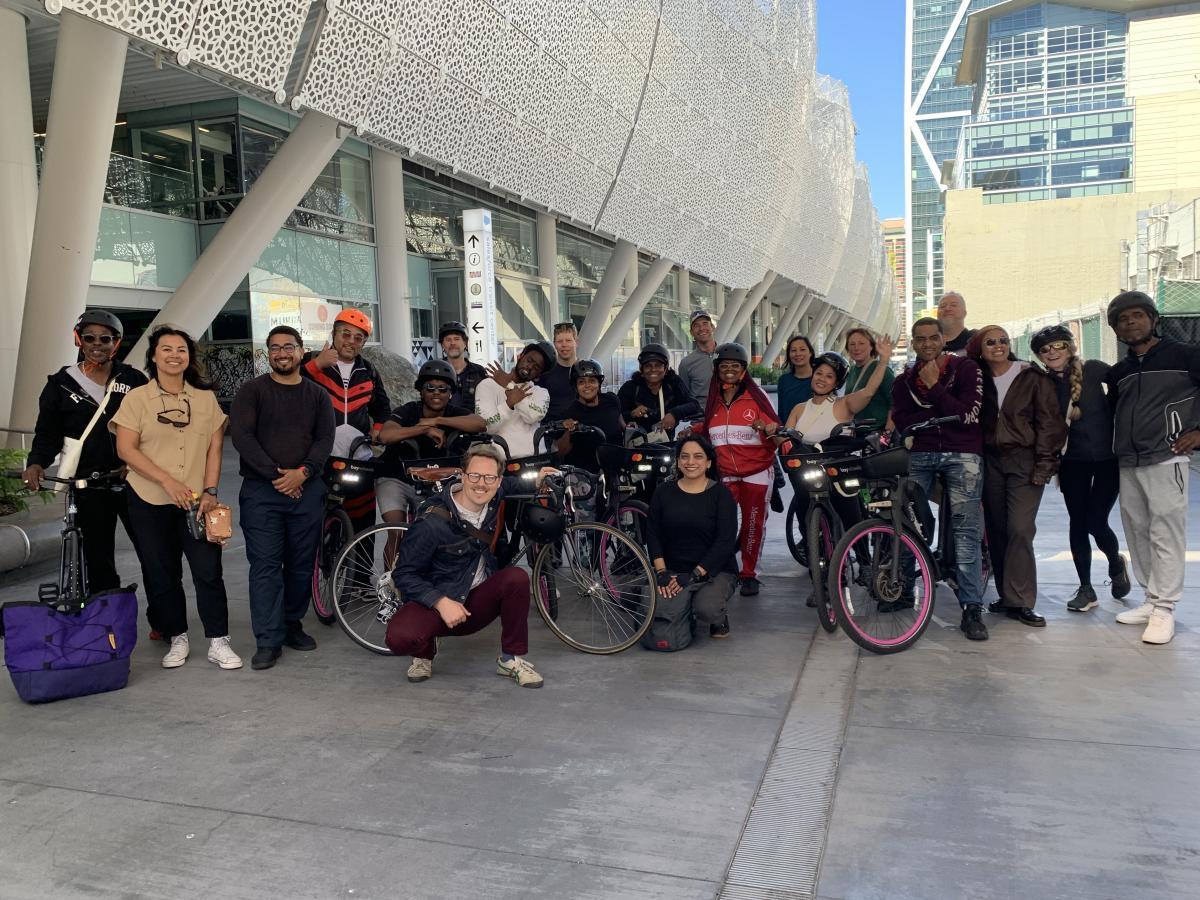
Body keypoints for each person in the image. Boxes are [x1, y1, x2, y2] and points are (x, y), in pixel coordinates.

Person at [111, 326, 241, 669]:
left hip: (197, 501)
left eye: (181, 349)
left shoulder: (204, 399)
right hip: (148, 497)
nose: (173, 355)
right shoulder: (137, 399)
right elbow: (126, 448)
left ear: (189, 357)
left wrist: (211, 491)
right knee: (161, 572)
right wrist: (167, 481)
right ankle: (177, 637)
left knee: (207, 571)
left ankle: (218, 641)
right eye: (166, 349)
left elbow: (215, 448)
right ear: (154, 356)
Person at [385, 443, 549, 687]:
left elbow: (514, 484)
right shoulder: (431, 521)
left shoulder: (493, 492)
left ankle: (510, 659)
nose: (481, 484)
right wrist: (440, 602)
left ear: (497, 480)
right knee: (400, 638)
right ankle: (423, 653)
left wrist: (539, 479)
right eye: (474, 475)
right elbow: (405, 574)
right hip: (439, 604)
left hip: (475, 601)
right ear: (462, 476)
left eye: (489, 477)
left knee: (516, 578)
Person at [231, 326, 336, 670]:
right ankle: (268, 639)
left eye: (288, 347)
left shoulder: (318, 395)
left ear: (301, 351)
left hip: (306, 490)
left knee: (301, 565)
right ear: (268, 354)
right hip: (263, 492)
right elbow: (243, 437)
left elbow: (324, 439)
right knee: (265, 567)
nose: (281, 353)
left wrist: (303, 473)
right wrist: (277, 475)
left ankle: (292, 625)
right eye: (274, 348)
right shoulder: (252, 391)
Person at [23, 310, 147, 593]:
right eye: (89, 337)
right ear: (78, 340)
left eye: (106, 339)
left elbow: (150, 430)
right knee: (98, 560)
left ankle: (164, 622)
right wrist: (36, 463)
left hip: (136, 483)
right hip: (89, 485)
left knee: (154, 554)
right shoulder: (59, 385)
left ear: (116, 343)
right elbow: (47, 434)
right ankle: (106, 620)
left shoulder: (133, 379)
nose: (97, 344)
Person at [1105, 291, 1200, 645]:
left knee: (1166, 531)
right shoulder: (1121, 371)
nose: (1130, 323)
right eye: (1122, 319)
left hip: (1167, 456)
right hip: (1129, 460)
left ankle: (1165, 608)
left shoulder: (1186, 356)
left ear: (1152, 318)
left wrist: (1198, 433)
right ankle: (1150, 599)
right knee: (1138, 530)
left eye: (1136, 316)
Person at [890, 317, 988, 641]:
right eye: (921, 339)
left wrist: (933, 389)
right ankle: (901, 588)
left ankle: (971, 606)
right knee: (907, 523)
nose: (928, 344)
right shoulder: (903, 379)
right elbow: (903, 421)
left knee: (966, 531)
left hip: (963, 455)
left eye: (934, 338)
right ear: (913, 343)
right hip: (921, 453)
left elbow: (968, 417)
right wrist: (940, 411)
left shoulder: (966, 369)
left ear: (943, 339)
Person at [967, 326, 1066, 628]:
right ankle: (1007, 596)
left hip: (1024, 460)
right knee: (997, 529)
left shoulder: (1031, 376)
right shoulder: (976, 379)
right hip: (989, 461)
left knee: (1020, 528)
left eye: (1003, 341)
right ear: (980, 349)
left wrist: (1044, 465)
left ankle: (1022, 600)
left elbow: (1050, 422)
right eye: (990, 342)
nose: (998, 346)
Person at [1031, 324, 1129, 611]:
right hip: (1072, 462)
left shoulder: (1095, 370)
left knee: (1095, 521)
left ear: (1070, 347)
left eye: (1058, 345)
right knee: (1077, 522)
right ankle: (1086, 588)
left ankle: (1114, 561)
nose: (1051, 352)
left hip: (1107, 460)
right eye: (1044, 349)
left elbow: (1126, 392)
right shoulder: (1043, 383)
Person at [689, 342, 779, 596]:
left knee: (753, 524)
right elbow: (708, 426)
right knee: (720, 524)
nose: (729, 370)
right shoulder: (714, 401)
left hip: (757, 472)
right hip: (726, 472)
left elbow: (774, 426)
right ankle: (722, 568)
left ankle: (750, 574)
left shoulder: (757, 396)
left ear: (743, 370)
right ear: (717, 369)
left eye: (735, 366)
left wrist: (769, 427)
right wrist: (691, 430)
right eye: (724, 366)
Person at [301, 308, 390, 535]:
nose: (351, 341)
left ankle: (360, 571)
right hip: (318, 457)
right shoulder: (312, 361)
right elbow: (288, 388)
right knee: (311, 525)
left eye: (358, 338)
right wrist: (316, 364)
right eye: (345, 334)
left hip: (358, 456)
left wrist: (378, 429)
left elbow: (382, 407)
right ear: (334, 334)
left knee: (362, 523)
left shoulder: (368, 370)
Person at [646, 435, 739, 638]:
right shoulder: (663, 492)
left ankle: (718, 616)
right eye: (684, 457)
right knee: (654, 606)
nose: (690, 462)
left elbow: (725, 542)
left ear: (708, 462)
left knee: (706, 608)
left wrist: (694, 575)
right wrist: (661, 573)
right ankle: (683, 608)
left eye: (698, 457)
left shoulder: (722, 495)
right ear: (678, 462)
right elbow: (653, 533)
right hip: (673, 570)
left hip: (714, 571)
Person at [376, 359, 486, 526]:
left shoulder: (455, 412)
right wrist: (424, 429)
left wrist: (437, 421)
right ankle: (396, 551)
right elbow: (385, 435)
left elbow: (480, 423)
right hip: (397, 477)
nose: (436, 393)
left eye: (443, 389)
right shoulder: (408, 410)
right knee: (396, 529)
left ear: (450, 393)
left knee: (441, 527)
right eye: (430, 388)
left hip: (439, 482)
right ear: (421, 391)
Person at [476, 342, 552, 459]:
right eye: (529, 360)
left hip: (536, 460)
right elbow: (488, 427)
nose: (530, 367)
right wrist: (508, 405)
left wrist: (508, 385)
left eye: (536, 367)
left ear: (538, 375)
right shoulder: (487, 385)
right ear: (520, 356)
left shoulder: (541, 392)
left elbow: (533, 416)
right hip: (501, 462)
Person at [554, 359, 624, 473]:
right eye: (581, 382)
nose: (587, 386)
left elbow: (622, 425)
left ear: (599, 383)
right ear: (576, 386)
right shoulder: (568, 413)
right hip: (584, 476)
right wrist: (568, 431)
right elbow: (561, 452)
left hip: (616, 470)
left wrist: (630, 427)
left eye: (592, 380)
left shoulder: (612, 400)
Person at [617, 343, 699, 439]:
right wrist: (632, 414)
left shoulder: (673, 383)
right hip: (637, 445)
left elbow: (694, 405)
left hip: (669, 443)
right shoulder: (631, 387)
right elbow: (616, 414)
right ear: (641, 369)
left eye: (658, 365)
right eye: (648, 366)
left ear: (666, 369)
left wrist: (674, 414)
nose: (653, 369)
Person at [843, 327, 894, 428]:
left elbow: (895, 404)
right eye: (852, 344)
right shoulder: (851, 370)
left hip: (876, 434)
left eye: (861, 343)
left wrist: (886, 436)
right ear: (848, 349)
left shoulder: (881, 369)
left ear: (871, 346)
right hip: (856, 434)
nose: (856, 348)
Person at [438, 321, 488, 412]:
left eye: (457, 339)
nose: (452, 343)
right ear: (442, 345)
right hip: (441, 424)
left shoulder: (479, 372)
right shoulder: (434, 370)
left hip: (473, 423)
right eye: (448, 340)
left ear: (465, 343)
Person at [540, 322, 580, 421]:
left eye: (568, 340)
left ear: (576, 342)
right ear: (554, 344)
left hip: (581, 430)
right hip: (551, 431)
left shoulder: (586, 370)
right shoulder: (545, 372)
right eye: (559, 341)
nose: (564, 345)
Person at [678, 310, 720, 405]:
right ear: (691, 333)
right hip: (700, 416)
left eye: (705, 324)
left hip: (726, 414)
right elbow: (683, 396)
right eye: (696, 325)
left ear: (712, 327)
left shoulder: (726, 355)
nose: (701, 328)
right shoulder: (686, 363)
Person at [777, 335, 815, 423]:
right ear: (789, 355)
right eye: (793, 350)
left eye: (802, 349)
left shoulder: (820, 379)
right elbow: (781, 413)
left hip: (816, 433)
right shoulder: (784, 380)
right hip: (789, 433)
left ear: (810, 353)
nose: (798, 354)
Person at [937, 291, 976, 356]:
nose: (947, 309)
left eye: (953, 305)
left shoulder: (976, 339)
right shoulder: (928, 342)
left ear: (964, 313)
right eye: (942, 306)